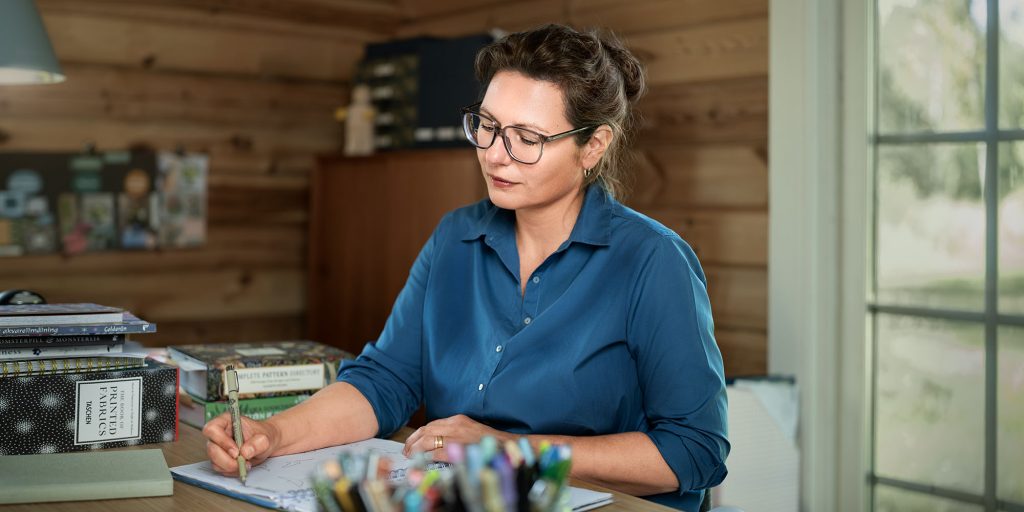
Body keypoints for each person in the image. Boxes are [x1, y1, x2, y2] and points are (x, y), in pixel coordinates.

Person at [203, 24, 729, 510]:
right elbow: (385, 380)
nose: (496, 155)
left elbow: (694, 451)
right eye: (488, 125)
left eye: (528, 138)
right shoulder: (454, 237)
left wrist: (511, 448)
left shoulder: (654, 261)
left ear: (593, 145)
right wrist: (272, 434)